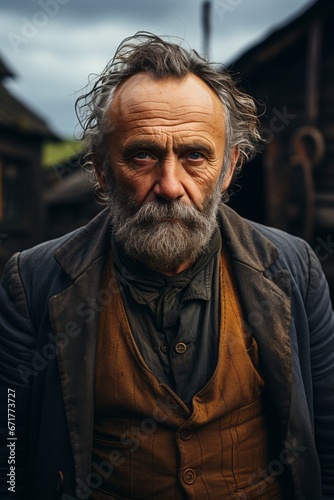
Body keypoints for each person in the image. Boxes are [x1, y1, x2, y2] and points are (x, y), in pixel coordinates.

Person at [0, 32, 333, 500]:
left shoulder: (295, 269)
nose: (170, 185)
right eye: (143, 155)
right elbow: (10, 456)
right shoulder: (31, 283)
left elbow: (326, 435)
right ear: (99, 167)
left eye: (195, 155)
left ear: (230, 167)